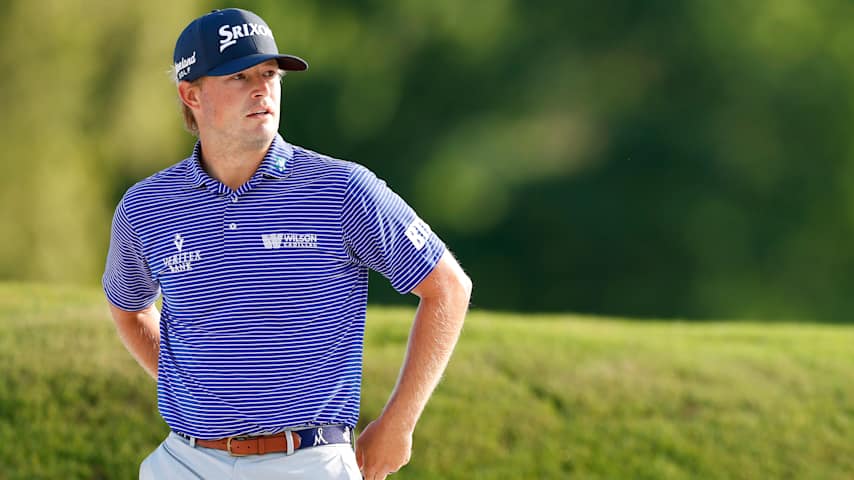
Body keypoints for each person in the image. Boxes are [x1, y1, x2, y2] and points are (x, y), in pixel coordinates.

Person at [102, 8, 471, 480]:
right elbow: (128, 308)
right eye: (239, 76)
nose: (262, 88)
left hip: (310, 463)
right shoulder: (145, 207)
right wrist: (195, 389)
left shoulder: (342, 190)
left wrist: (399, 422)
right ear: (190, 93)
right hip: (186, 462)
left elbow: (448, 288)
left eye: (270, 73)